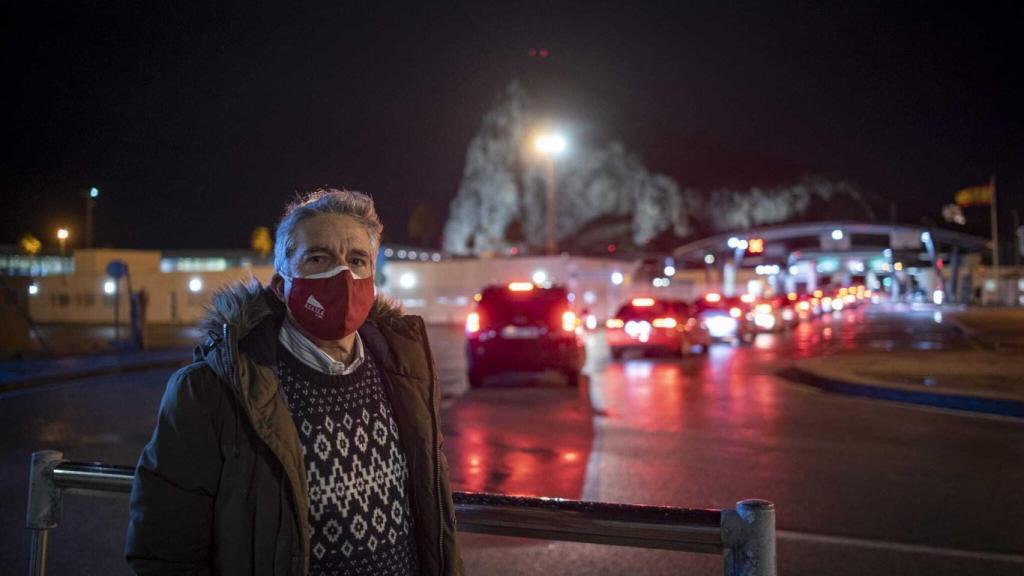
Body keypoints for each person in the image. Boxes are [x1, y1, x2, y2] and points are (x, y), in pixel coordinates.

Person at [126, 188, 463, 575]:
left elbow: (434, 520)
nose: (343, 276)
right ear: (281, 285)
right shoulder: (212, 390)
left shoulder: (405, 373)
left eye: (357, 260)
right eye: (318, 258)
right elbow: (164, 551)